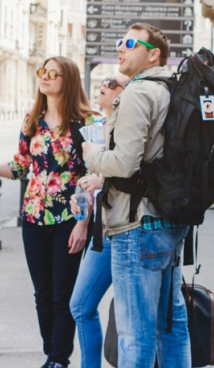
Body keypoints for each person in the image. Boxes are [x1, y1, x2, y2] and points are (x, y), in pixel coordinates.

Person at [0, 56, 96, 368]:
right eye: (43, 71)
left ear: (67, 80)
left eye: (53, 73)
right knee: (42, 293)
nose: (45, 77)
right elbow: (20, 167)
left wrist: (83, 223)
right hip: (33, 217)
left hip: (68, 219)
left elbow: (90, 178)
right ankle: (51, 353)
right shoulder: (32, 121)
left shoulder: (85, 123)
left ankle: (59, 359)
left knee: (62, 294)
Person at [82, 23, 190, 368]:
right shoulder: (172, 90)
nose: (120, 48)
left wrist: (89, 153)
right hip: (171, 219)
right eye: (119, 42)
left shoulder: (138, 94)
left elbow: (124, 163)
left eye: (129, 42)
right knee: (171, 325)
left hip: (136, 224)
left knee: (135, 334)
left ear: (153, 53)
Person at [69, 73, 130, 368]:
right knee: (80, 306)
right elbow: (86, 180)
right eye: (104, 82)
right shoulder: (91, 131)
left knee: (131, 316)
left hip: (126, 227)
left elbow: (129, 171)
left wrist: (101, 180)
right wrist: (81, 212)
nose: (105, 85)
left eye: (113, 82)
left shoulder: (127, 128)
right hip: (101, 229)